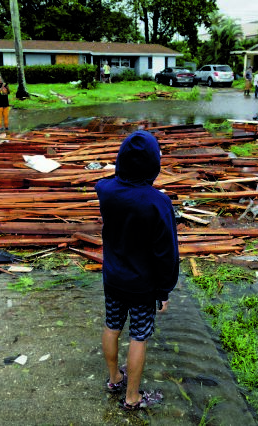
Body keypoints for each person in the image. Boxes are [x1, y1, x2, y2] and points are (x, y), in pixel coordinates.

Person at [95, 130, 179, 411]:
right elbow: (166, 253)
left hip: (113, 277)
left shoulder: (105, 190)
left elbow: (103, 182)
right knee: (138, 337)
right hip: (142, 284)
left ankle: (114, 378)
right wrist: (164, 290)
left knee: (112, 326)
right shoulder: (158, 203)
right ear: (153, 166)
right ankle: (132, 397)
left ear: (121, 160)